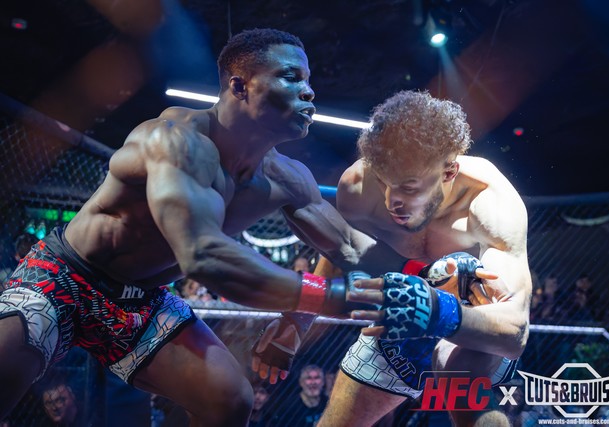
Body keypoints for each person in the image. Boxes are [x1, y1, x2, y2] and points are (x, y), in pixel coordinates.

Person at [0, 28, 402, 425]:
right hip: (64, 276)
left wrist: (428, 276)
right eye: (291, 77)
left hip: (142, 300)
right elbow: (203, 255)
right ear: (239, 86)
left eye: (308, 80)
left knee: (229, 400)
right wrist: (327, 297)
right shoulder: (176, 141)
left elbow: (351, 247)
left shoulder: (288, 179)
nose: (309, 92)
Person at [254, 91, 532, 426]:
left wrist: (435, 311)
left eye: (409, 188)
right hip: (397, 323)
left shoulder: (490, 204)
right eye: (384, 182)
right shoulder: (359, 188)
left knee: (463, 378)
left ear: (449, 172)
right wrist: (296, 321)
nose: (391, 201)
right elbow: (342, 252)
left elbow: (514, 331)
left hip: (469, 333)